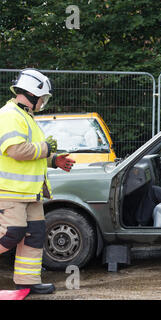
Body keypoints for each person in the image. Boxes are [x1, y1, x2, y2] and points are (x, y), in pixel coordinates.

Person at [0, 69, 76, 294]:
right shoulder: (9, 115)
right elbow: (15, 150)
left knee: (35, 234)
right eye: (42, 98)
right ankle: (26, 280)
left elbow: (33, 154)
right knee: (10, 233)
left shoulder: (26, 117)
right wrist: (46, 148)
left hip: (30, 192)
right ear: (32, 94)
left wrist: (54, 160)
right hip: (10, 191)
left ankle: (27, 281)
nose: (43, 102)